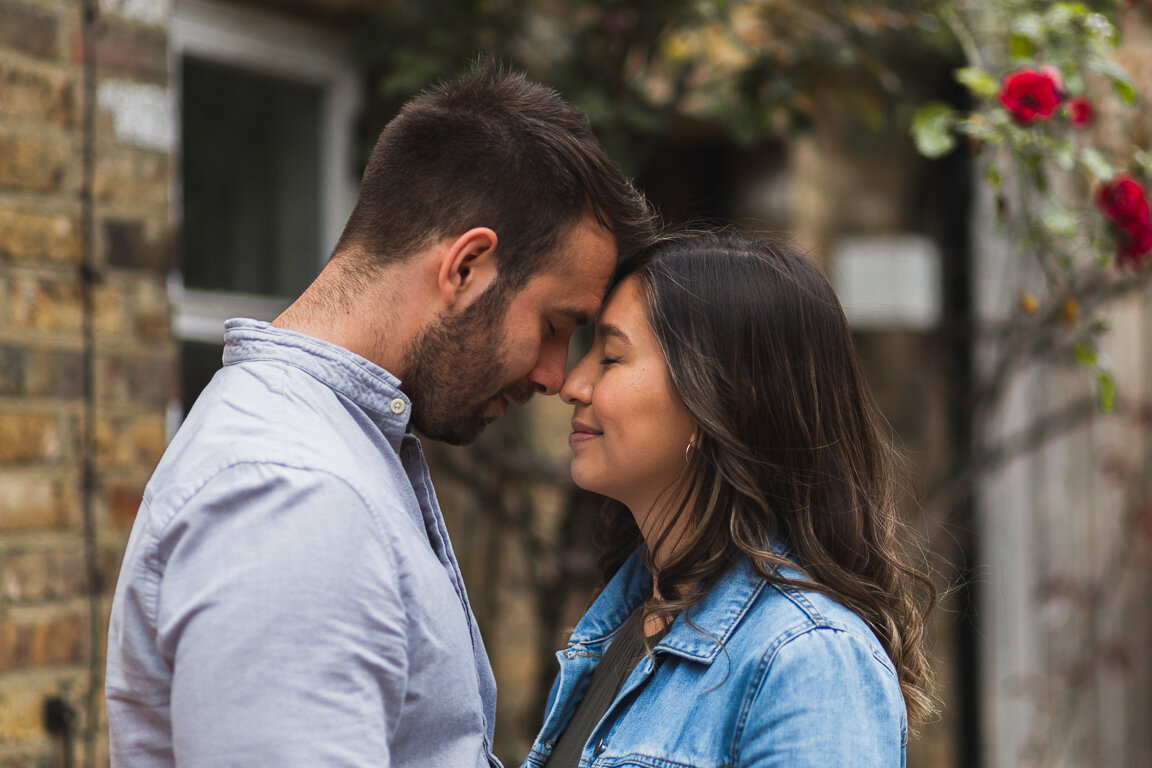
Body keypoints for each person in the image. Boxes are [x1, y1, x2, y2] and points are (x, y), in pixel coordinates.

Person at [105, 63, 655, 768]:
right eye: (555, 324)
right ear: (466, 267)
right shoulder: (294, 494)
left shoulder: (336, 452)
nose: (556, 374)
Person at [523, 232, 937, 768]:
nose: (573, 384)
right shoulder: (628, 623)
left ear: (724, 399)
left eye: (611, 357)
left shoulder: (809, 659)